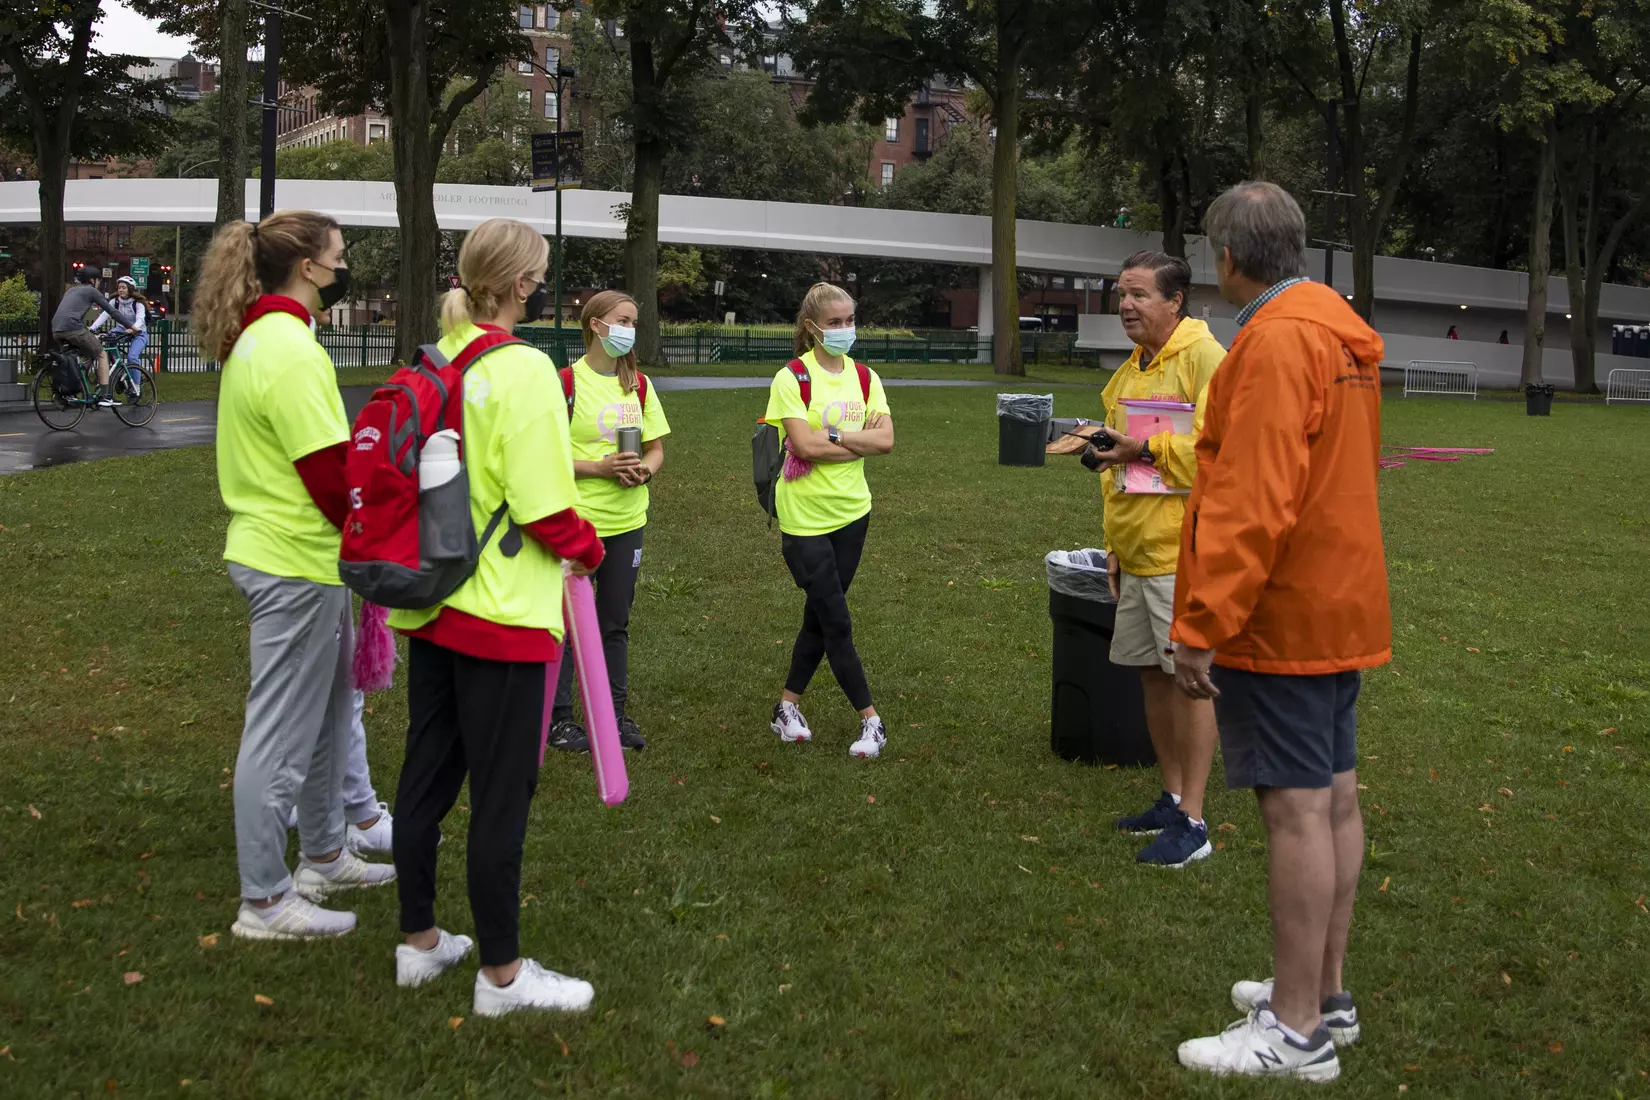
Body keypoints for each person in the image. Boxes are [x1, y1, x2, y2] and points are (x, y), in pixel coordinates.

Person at [1169, 182, 1390, 1082]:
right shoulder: (1335, 326)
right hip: (1336, 600)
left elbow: (1249, 499)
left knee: (1296, 810)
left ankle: (1297, 1032)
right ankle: (1323, 995)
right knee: (1333, 797)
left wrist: (1201, 625)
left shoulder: (1272, 341)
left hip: (1284, 613)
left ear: (1228, 257)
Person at [387, 217, 606, 1016]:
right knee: (502, 795)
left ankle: (419, 942)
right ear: (520, 285)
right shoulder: (525, 370)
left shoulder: (439, 356)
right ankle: (503, 978)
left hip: (431, 602)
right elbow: (546, 505)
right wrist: (591, 547)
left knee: (426, 776)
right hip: (503, 611)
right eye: (542, 273)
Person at [195, 210, 397, 942]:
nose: (346, 267)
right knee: (281, 732)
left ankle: (324, 853)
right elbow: (328, 475)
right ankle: (265, 899)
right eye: (339, 257)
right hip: (293, 562)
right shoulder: (287, 348)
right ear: (309, 268)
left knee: (319, 723)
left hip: (296, 557)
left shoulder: (268, 338)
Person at [1084, 250, 1225, 868]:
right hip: (1136, 549)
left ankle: (1194, 820)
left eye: (1140, 295)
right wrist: (1114, 545)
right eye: (1121, 294)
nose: (1126, 305)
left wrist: (1143, 447)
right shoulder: (1131, 371)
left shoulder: (1205, 359)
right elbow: (1117, 466)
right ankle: (1171, 796)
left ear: (1176, 302)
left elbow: (1225, 452)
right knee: (1149, 672)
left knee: (1188, 680)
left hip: (1183, 551)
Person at [764, 282, 894, 758]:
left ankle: (786, 707)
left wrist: (833, 434)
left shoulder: (865, 377)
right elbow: (803, 446)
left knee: (820, 613)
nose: (843, 330)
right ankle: (871, 721)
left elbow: (886, 442)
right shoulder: (791, 378)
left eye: (848, 321)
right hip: (804, 517)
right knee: (835, 618)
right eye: (834, 323)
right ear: (811, 327)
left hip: (853, 512)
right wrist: (854, 438)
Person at [546, 290, 670, 755]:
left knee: (614, 622)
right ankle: (560, 721)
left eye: (634, 322)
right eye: (623, 320)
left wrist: (645, 470)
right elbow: (545, 456)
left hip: (627, 522)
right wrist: (599, 468)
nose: (630, 330)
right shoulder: (564, 383)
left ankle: (613, 716)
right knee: (566, 624)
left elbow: (656, 448)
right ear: (596, 325)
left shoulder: (637, 384)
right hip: (576, 525)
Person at [51, 269, 134, 407]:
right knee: (101, 354)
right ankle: (104, 395)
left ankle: (69, 391)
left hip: (57, 330)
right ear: (92, 280)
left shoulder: (70, 291)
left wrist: (89, 331)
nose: (99, 282)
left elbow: (72, 313)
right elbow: (111, 311)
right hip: (73, 329)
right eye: (98, 280)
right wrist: (131, 326)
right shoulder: (91, 291)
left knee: (75, 358)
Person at [91, 276, 149, 395]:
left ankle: (136, 386)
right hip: (122, 329)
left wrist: (133, 329)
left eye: (124, 288)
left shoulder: (138, 303)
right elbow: (104, 315)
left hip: (139, 332)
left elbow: (140, 319)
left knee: (132, 357)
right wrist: (93, 327)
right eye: (119, 288)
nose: (121, 290)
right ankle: (120, 370)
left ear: (130, 289)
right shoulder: (115, 301)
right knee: (109, 340)